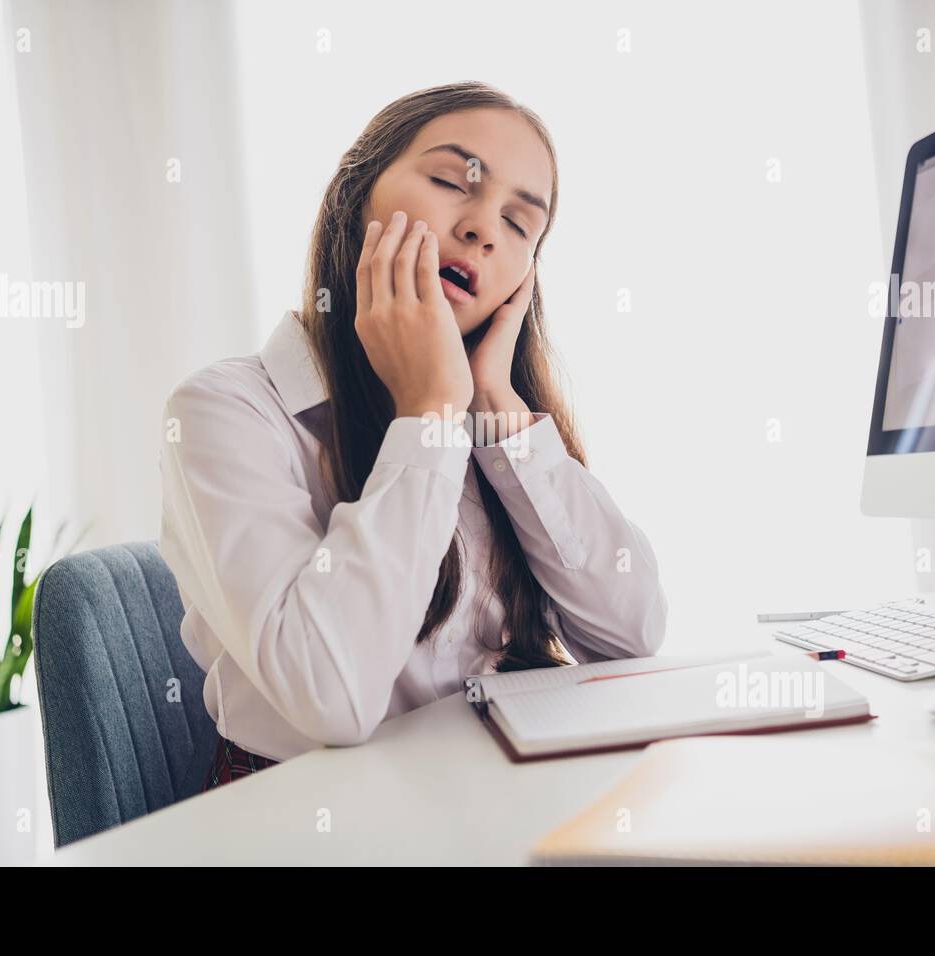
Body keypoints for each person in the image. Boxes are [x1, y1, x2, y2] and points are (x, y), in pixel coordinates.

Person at [158, 82, 669, 791]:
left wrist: (497, 405)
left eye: (521, 226)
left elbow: (632, 635)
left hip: (483, 799)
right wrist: (426, 413)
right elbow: (330, 699)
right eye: (451, 181)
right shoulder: (225, 412)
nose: (485, 230)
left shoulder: (484, 422)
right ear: (354, 195)